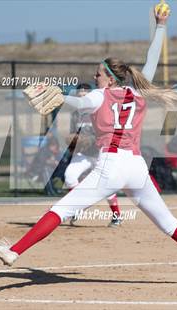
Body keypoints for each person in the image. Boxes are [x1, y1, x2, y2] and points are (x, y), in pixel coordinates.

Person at [0, 8, 177, 282]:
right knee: (168, 223)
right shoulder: (136, 92)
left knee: (60, 210)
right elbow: (151, 59)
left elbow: (79, 103)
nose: (95, 78)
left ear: (110, 78)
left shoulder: (97, 96)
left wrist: (58, 97)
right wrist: (161, 25)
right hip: (136, 167)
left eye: (98, 74)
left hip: (111, 166)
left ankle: (13, 252)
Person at [65, 83, 122, 227]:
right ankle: (79, 206)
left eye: (85, 95)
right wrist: (74, 141)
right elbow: (74, 134)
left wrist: (89, 140)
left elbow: (106, 133)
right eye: (79, 95)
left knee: (106, 186)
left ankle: (117, 216)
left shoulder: (99, 111)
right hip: (83, 154)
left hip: (99, 153)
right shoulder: (75, 114)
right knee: (69, 176)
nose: (82, 97)